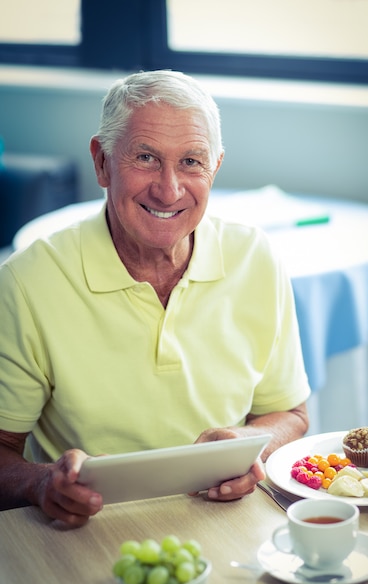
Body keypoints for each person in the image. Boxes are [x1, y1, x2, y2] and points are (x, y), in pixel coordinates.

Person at [0, 70, 310, 528]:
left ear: (216, 167)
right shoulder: (27, 282)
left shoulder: (256, 257)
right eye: (145, 157)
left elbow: (291, 414)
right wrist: (42, 482)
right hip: (83, 532)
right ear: (102, 162)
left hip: (227, 524)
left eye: (191, 162)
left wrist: (249, 443)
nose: (169, 189)